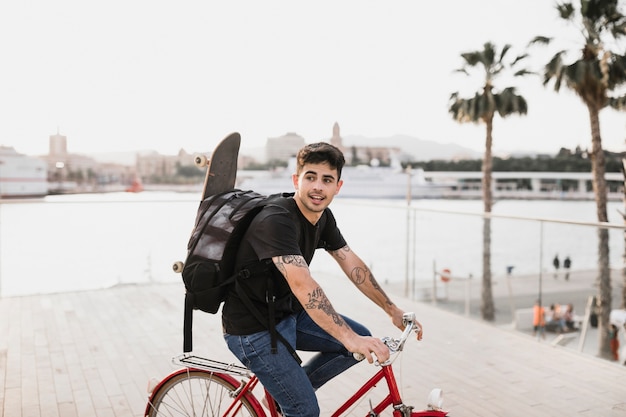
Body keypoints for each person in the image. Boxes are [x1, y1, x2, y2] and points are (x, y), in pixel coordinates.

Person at [221, 142, 423, 417]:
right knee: (305, 411)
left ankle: (288, 396)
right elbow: (303, 285)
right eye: (311, 177)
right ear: (296, 180)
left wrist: (392, 310)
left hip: (287, 315)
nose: (318, 187)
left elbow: (351, 263)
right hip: (253, 330)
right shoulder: (276, 219)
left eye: (327, 180)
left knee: (358, 340)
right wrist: (349, 339)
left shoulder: (322, 217)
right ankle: (294, 400)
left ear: (337, 187)